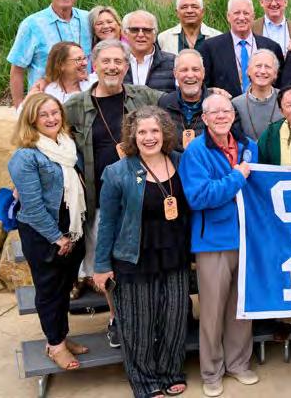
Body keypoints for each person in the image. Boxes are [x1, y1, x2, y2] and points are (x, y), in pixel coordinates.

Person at [63, 39, 164, 348]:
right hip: (99, 198)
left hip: (142, 194)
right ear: (94, 65)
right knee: (106, 262)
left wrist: (215, 93)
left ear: (127, 66)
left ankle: (150, 317)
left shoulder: (143, 96)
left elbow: (181, 100)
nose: (112, 67)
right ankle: (118, 318)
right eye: (106, 61)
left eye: (119, 61)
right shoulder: (75, 106)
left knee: (143, 257)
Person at [92, 106, 191, 398]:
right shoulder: (117, 172)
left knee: (174, 317)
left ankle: (170, 371)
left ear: (165, 133)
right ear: (133, 136)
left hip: (174, 252)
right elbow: (107, 222)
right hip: (134, 255)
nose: (149, 137)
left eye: (155, 131)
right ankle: (145, 381)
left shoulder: (181, 161)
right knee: (139, 323)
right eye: (143, 132)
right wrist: (101, 265)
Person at [179, 93, 260, 397]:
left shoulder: (249, 146)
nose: (221, 116)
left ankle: (238, 364)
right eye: (214, 113)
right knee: (212, 311)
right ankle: (211, 372)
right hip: (213, 241)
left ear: (233, 115)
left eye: (226, 111)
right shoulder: (195, 152)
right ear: (204, 118)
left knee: (241, 308)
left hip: (246, 238)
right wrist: (237, 177)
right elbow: (199, 196)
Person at [8, 93, 88, 371]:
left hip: (72, 226)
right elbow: (32, 207)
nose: (52, 118)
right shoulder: (26, 156)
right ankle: (55, 345)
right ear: (31, 120)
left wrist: (71, 234)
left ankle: (60, 337)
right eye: (44, 115)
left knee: (64, 287)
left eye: (55, 112)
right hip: (44, 233)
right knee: (49, 290)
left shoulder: (67, 145)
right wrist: (56, 237)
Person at [8, 0, 92, 106]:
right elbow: (17, 69)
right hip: (46, 107)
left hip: (85, 103)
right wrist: (19, 108)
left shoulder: (88, 19)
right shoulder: (32, 24)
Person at [198, 0, 285, 97]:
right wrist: (212, 91)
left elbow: (281, 85)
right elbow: (202, 86)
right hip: (226, 105)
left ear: (253, 16)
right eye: (237, 13)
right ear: (228, 16)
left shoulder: (272, 47)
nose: (242, 17)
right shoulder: (209, 48)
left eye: (246, 13)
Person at [158, 49, 230, 144]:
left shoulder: (221, 105)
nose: (190, 75)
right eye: (184, 70)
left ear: (203, 73)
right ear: (175, 74)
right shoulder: (164, 103)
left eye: (195, 69)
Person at [231, 50, 283, 139]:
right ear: (248, 71)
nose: (262, 71)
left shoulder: (285, 99)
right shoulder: (236, 104)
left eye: (267, 67)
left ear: (275, 74)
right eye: (258, 66)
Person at [122, 10, 177, 93]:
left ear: (155, 35)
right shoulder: (116, 63)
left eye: (147, 30)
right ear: (125, 34)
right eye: (134, 30)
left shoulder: (173, 62)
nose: (140, 35)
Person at [158, 0, 222, 54]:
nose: (189, 11)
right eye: (184, 7)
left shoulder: (217, 37)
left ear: (202, 12)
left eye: (194, 7)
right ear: (177, 13)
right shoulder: (163, 38)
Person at [39, 41, 96, 108]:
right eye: (78, 59)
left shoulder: (96, 82)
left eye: (84, 58)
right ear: (61, 65)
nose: (85, 63)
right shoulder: (50, 93)